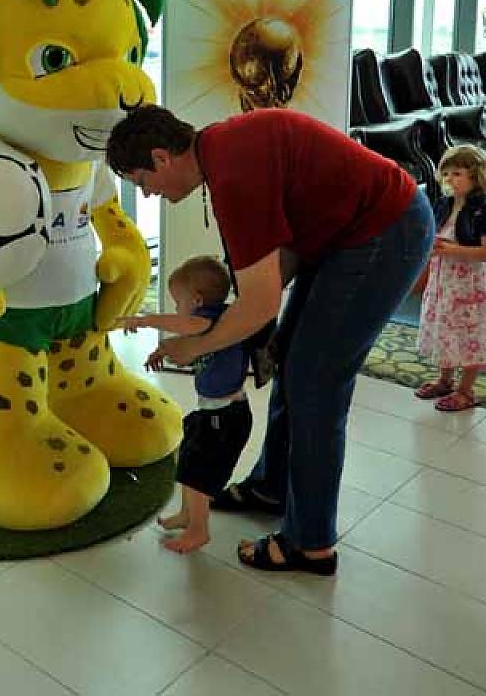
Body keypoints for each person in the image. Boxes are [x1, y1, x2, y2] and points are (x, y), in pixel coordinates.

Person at [106, 103, 434, 576]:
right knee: (291, 361)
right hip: (345, 235)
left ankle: (311, 543)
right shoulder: (221, 149)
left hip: (384, 231)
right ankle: (272, 486)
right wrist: (247, 327)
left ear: (161, 157)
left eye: (142, 181)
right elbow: (274, 270)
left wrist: (194, 347)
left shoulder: (233, 175)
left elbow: (259, 303)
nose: (147, 194)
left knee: (314, 385)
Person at [120, 255, 253, 554]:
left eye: (177, 302)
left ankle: (198, 531)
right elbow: (189, 345)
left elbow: (186, 324)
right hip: (214, 412)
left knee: (198, 476)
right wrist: (162, 351)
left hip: (224, 417)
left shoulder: (212, 318)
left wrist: (144, 320)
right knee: (189, 462)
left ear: (196, 301)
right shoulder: (211, 325)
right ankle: (186, 515)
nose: (177, 308)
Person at [415, 144, 486, 411]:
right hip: (443, 283)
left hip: (470, 285)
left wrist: (451, 250)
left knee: (469, 335)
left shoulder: (482, 210)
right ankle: (444, 380)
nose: (450, 179)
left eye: (457, 174)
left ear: (475, 175)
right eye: (447, 174)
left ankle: (465, 391)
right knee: (445, 330)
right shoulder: (444, 204)